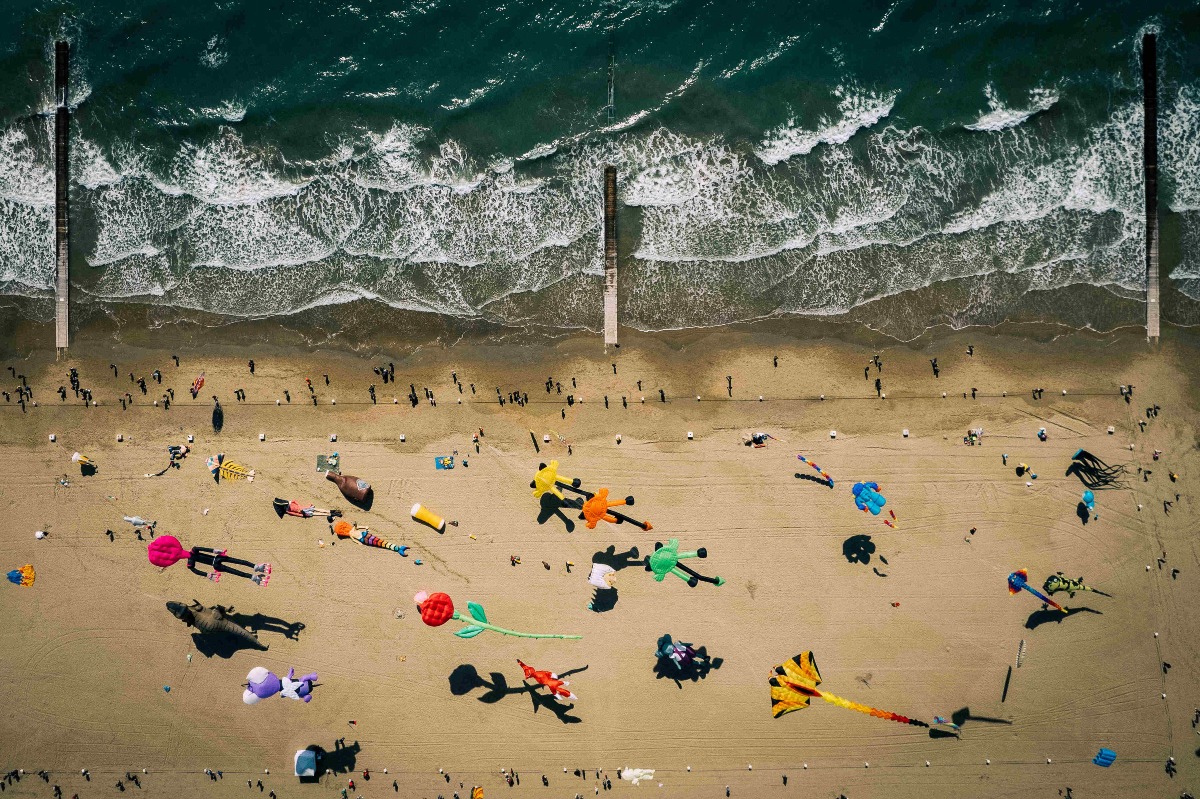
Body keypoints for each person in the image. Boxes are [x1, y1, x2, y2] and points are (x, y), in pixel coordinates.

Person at [187, 546, 271, 585]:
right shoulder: (192, 553)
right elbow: (203, 549)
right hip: (217, 560)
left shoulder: (191, 559)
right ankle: (255, 569)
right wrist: (214, 551)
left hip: (216, 562)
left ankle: (254, 573)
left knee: (236, 568)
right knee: (237, 564)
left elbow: (194, 570)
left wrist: (206, 574)